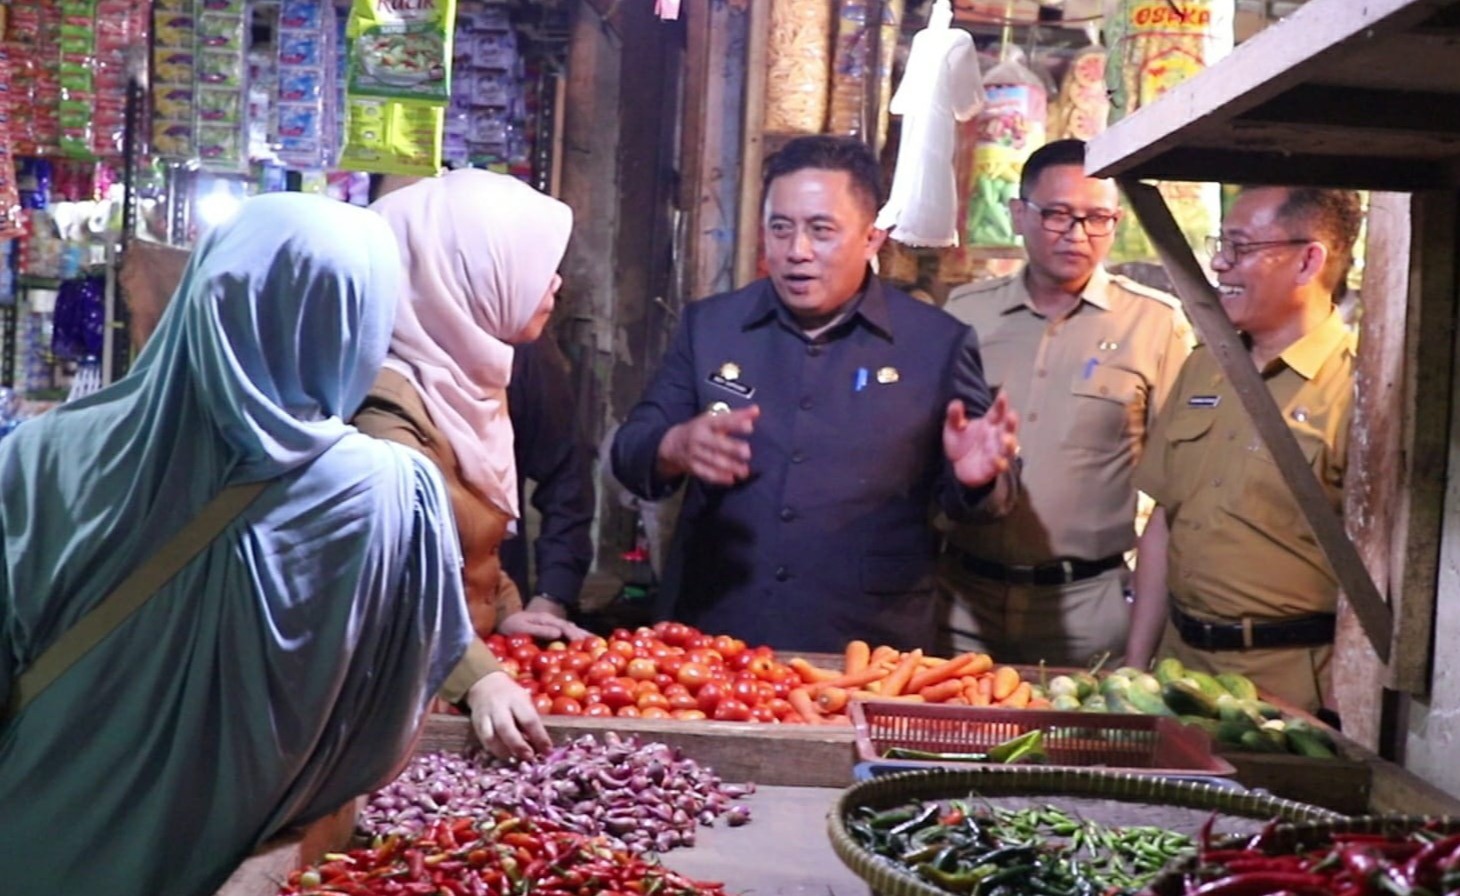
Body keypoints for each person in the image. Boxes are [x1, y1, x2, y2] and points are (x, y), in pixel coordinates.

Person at [0, 193, 528, 896]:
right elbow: (383, 736)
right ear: (360, 323)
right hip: (229, 862)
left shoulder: (38, 456)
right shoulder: (394, 495)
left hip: (31, 842)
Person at [611, 135, 1021, 653]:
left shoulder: (935, 344)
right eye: (781, 229)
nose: (796, 251)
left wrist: (977, 480)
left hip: (867, 642)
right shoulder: (712, 327)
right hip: (715, 635)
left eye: (821, 230)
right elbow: (630, 452)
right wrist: (671, 448)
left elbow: (987, 503)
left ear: (872, 238)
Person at [940, 139, 1192, 666]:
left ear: (1116, 223)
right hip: (961, 602)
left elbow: (1176, 494)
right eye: (1057, 214)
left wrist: (1142, 646)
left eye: (1096, 218)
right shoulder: (965, 314)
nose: (1077, 234)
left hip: (1086, 611)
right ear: (1018, 214)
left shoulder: (1155, 323)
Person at [1126, 186, 1363, 714]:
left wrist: (1340, 708)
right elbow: (1164, 522)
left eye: (1241, 247)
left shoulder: (1358, 390)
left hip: (1289, 687)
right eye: (1221, 243)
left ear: (1308, 261)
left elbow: (1381, 575)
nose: (1218, 262)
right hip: (1177, 668)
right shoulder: (1205, 365)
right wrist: (1136, 663)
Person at [355, 169, 592, 646]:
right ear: (471, 273)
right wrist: (479, 680)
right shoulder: (386, 413)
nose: (555, 283)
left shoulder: (482, 370)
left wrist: (511, 607)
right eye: (525, 261)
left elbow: (469, 555)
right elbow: (409, 587)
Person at [500, 336, 597, 616]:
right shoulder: (382, 331)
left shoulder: (520, 344)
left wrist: (554, 591)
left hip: (496, 608)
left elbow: (567, 473)